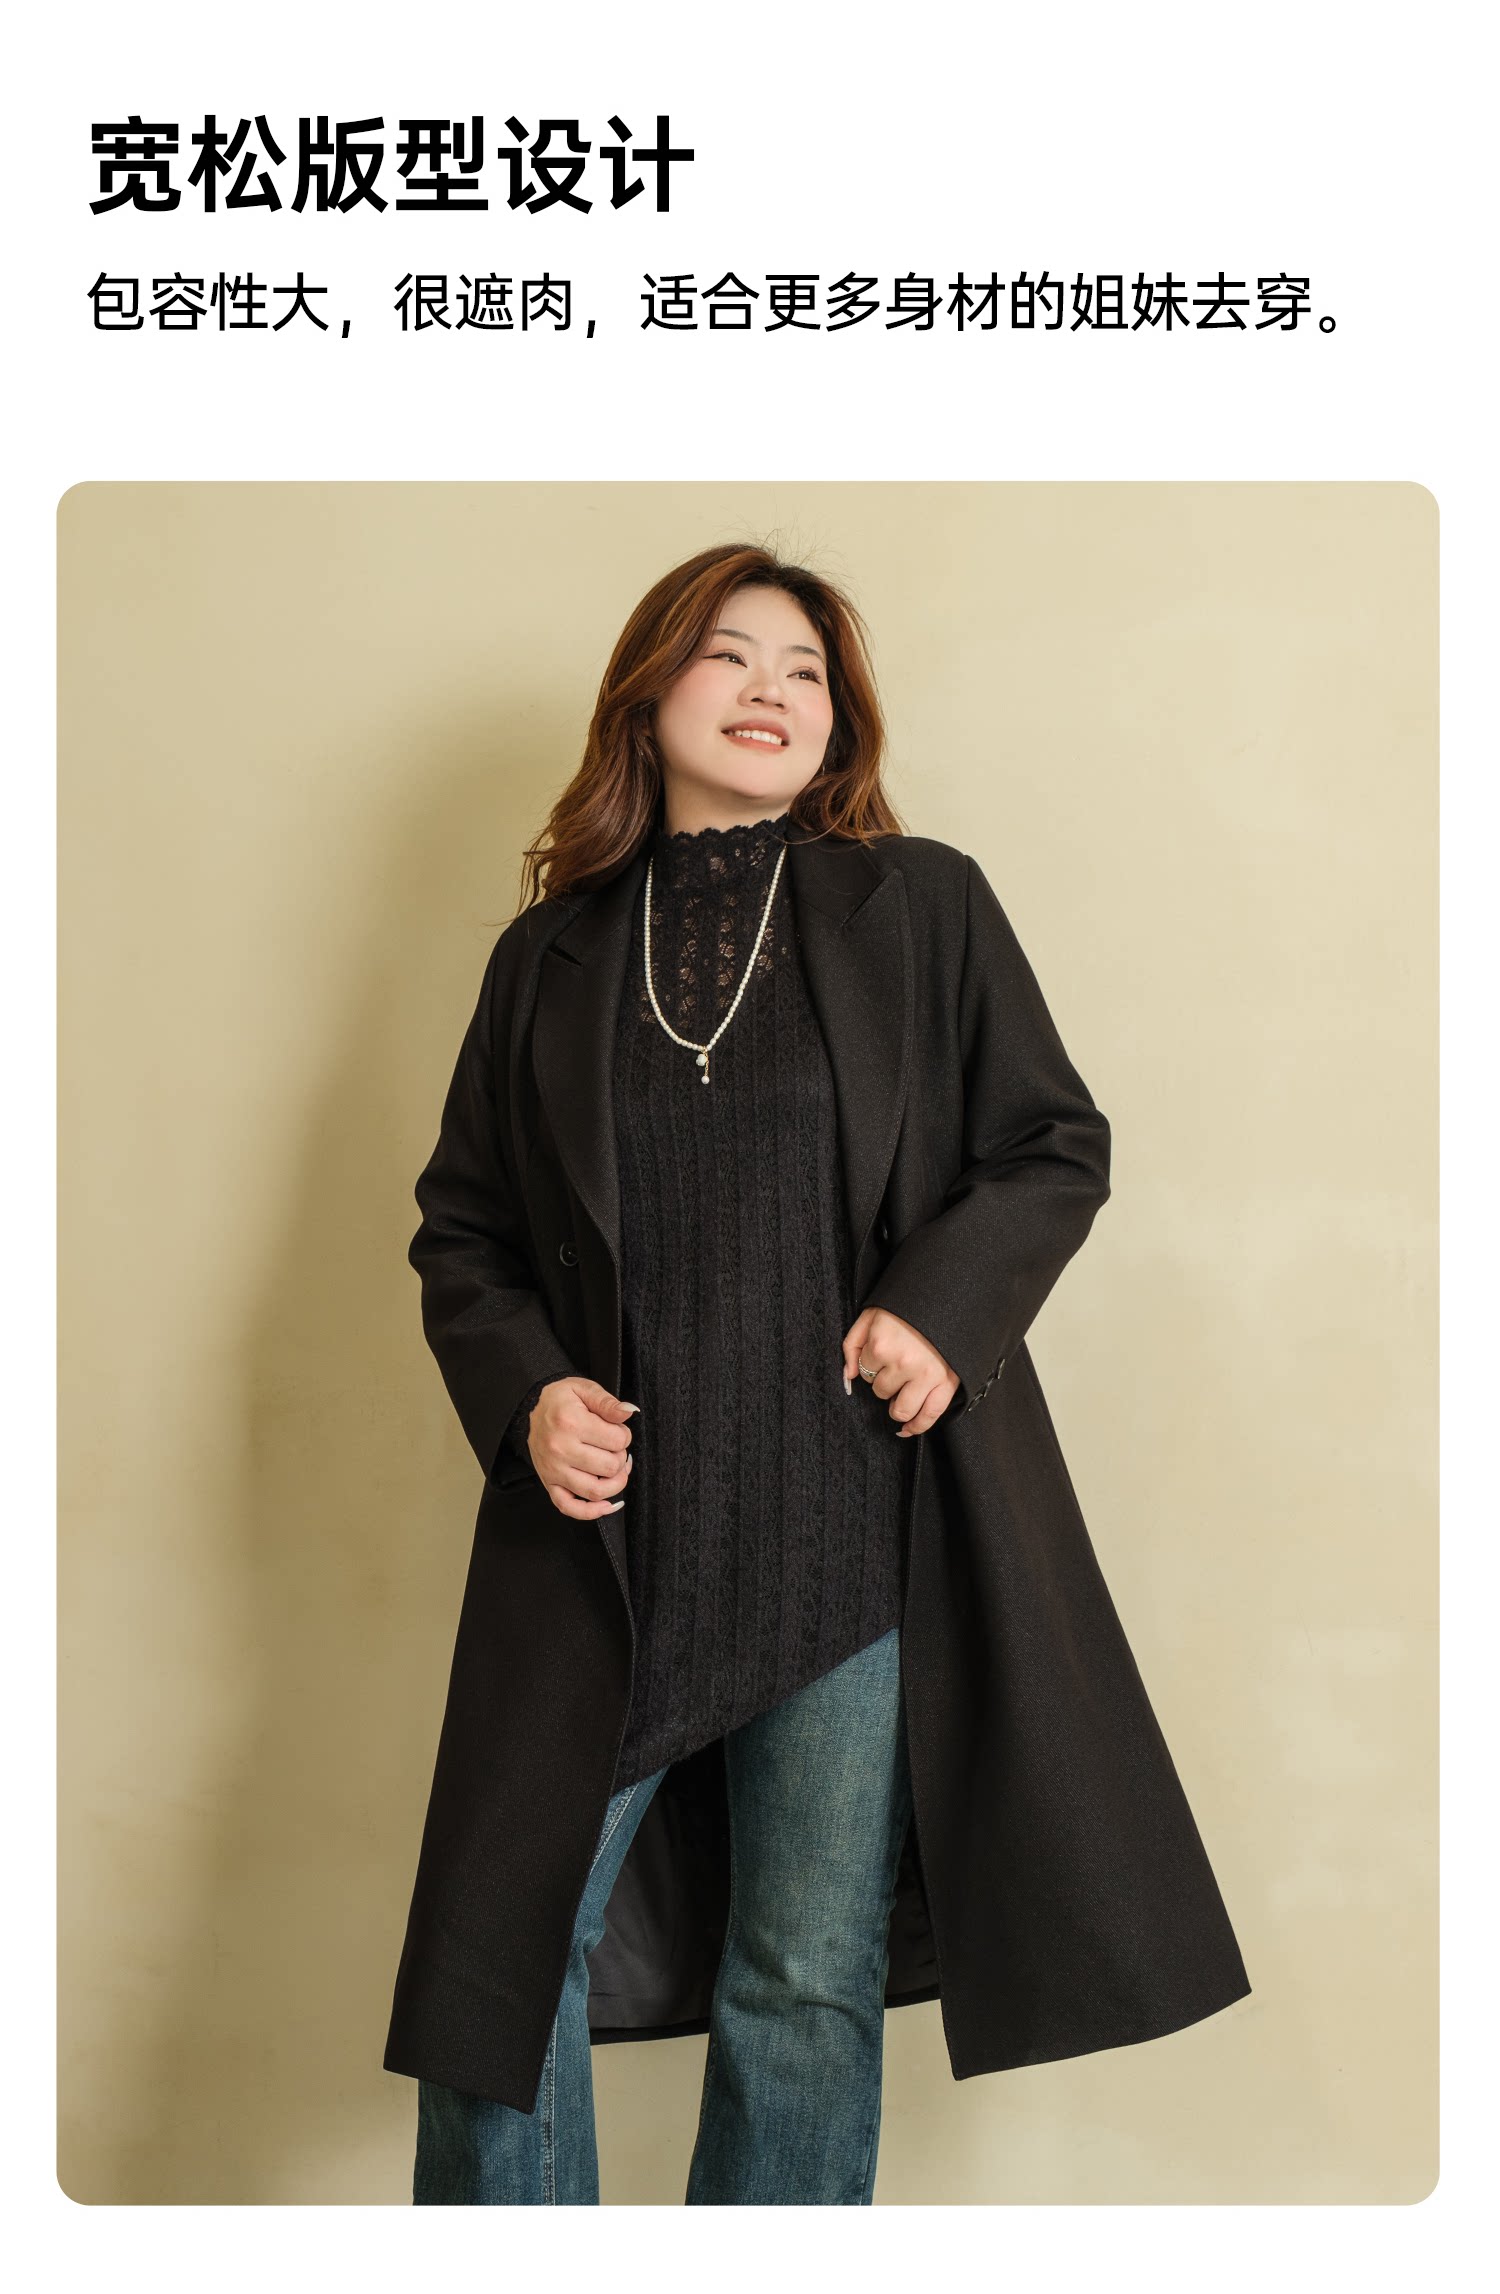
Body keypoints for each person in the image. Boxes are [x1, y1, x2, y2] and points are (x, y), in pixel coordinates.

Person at [388, 540, 1242, 2203]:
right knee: (499, 1964)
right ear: (649, 692)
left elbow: (1051, 1144)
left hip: (853, 1531)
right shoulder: (546, 958)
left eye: (806, 670)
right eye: (731, 654)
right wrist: (529, 1392)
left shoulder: (919, 906)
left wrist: (940, 1307)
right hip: (605, 1540)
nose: (773, 689)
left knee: (802, 1980)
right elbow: (463, 1231)